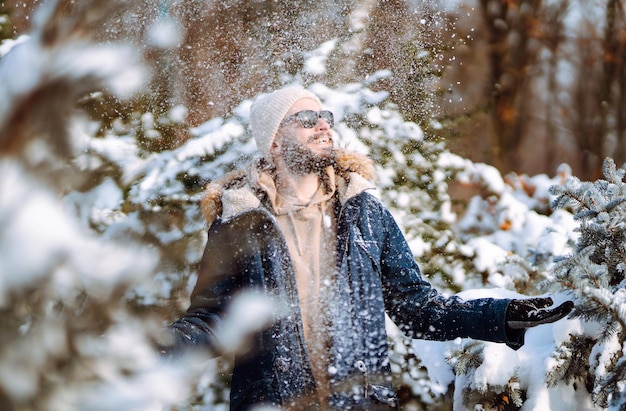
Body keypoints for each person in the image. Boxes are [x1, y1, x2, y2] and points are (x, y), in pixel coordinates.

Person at [164, 86, 573, 410]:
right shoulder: (240, 221)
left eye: (325, 116)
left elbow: (417, 309)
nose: (323, 125)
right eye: (307, 119)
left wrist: (501, 316)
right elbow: (213, 319)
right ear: (274, 142)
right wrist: (157, 347)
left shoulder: (365, 212)